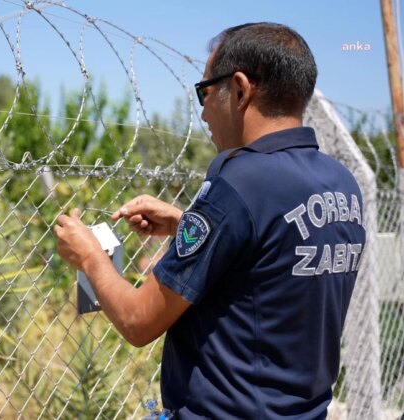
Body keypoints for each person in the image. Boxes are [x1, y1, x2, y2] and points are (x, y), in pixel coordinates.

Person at [53, 22, 366, 419]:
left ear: (239, 89)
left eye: (204, 92)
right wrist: (187, 221)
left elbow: (138, 320)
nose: (202, 111)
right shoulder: (340, 184)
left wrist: (89, 256)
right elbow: (273, 253)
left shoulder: (239, 183)